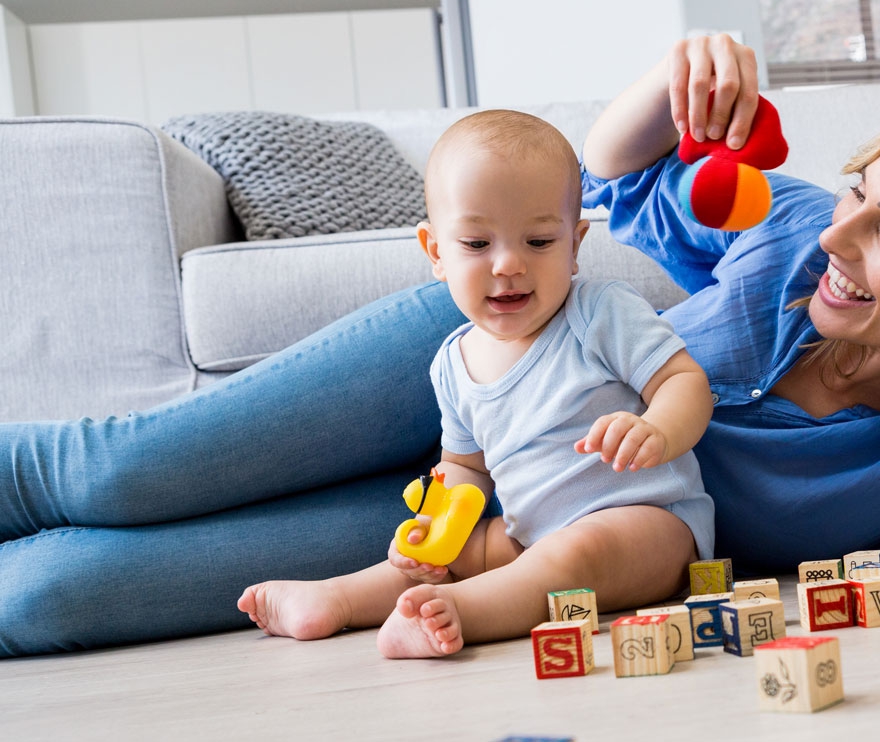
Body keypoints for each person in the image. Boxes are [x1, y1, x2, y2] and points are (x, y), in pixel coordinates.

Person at [0, 36, 880, 658]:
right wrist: (673, 79)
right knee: (109, 474)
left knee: (57, 599)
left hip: (503, 521)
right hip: (472, 358)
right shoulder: (793, 238)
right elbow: (613, 183)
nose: (840, 238)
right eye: (856, 193)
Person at [236, 110, 715, 658]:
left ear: (575, 244)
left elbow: (684, 380)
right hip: (526, 535)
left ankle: (465, 612)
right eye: (476, 244)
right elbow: (467, 468)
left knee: (573, 554)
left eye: (538, 241)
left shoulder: (600, 311)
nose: (508, 264)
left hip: (650, 528)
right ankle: (337, 599)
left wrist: (658, 428)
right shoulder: (451, 363)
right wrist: (433, 526)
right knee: (450, 557)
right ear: (436, 252)